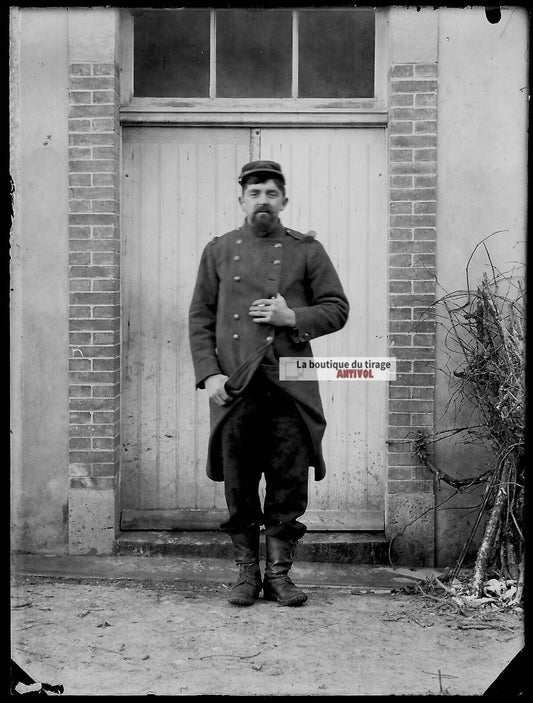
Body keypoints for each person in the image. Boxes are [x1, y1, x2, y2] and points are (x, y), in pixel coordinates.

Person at [188, 160, 349, 607]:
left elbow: (337, 307)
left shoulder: (306, 251)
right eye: (255, 192)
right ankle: (246, 576)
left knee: (288, 483)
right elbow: (200, 316)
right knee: (239, 485)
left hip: (290, 386)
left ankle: (279, 576)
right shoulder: (218, 250)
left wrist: (292, 317)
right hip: (236, 385)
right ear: (241, 199)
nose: (263, 200)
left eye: (271, 193)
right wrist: (210, 373)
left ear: (284, 201)